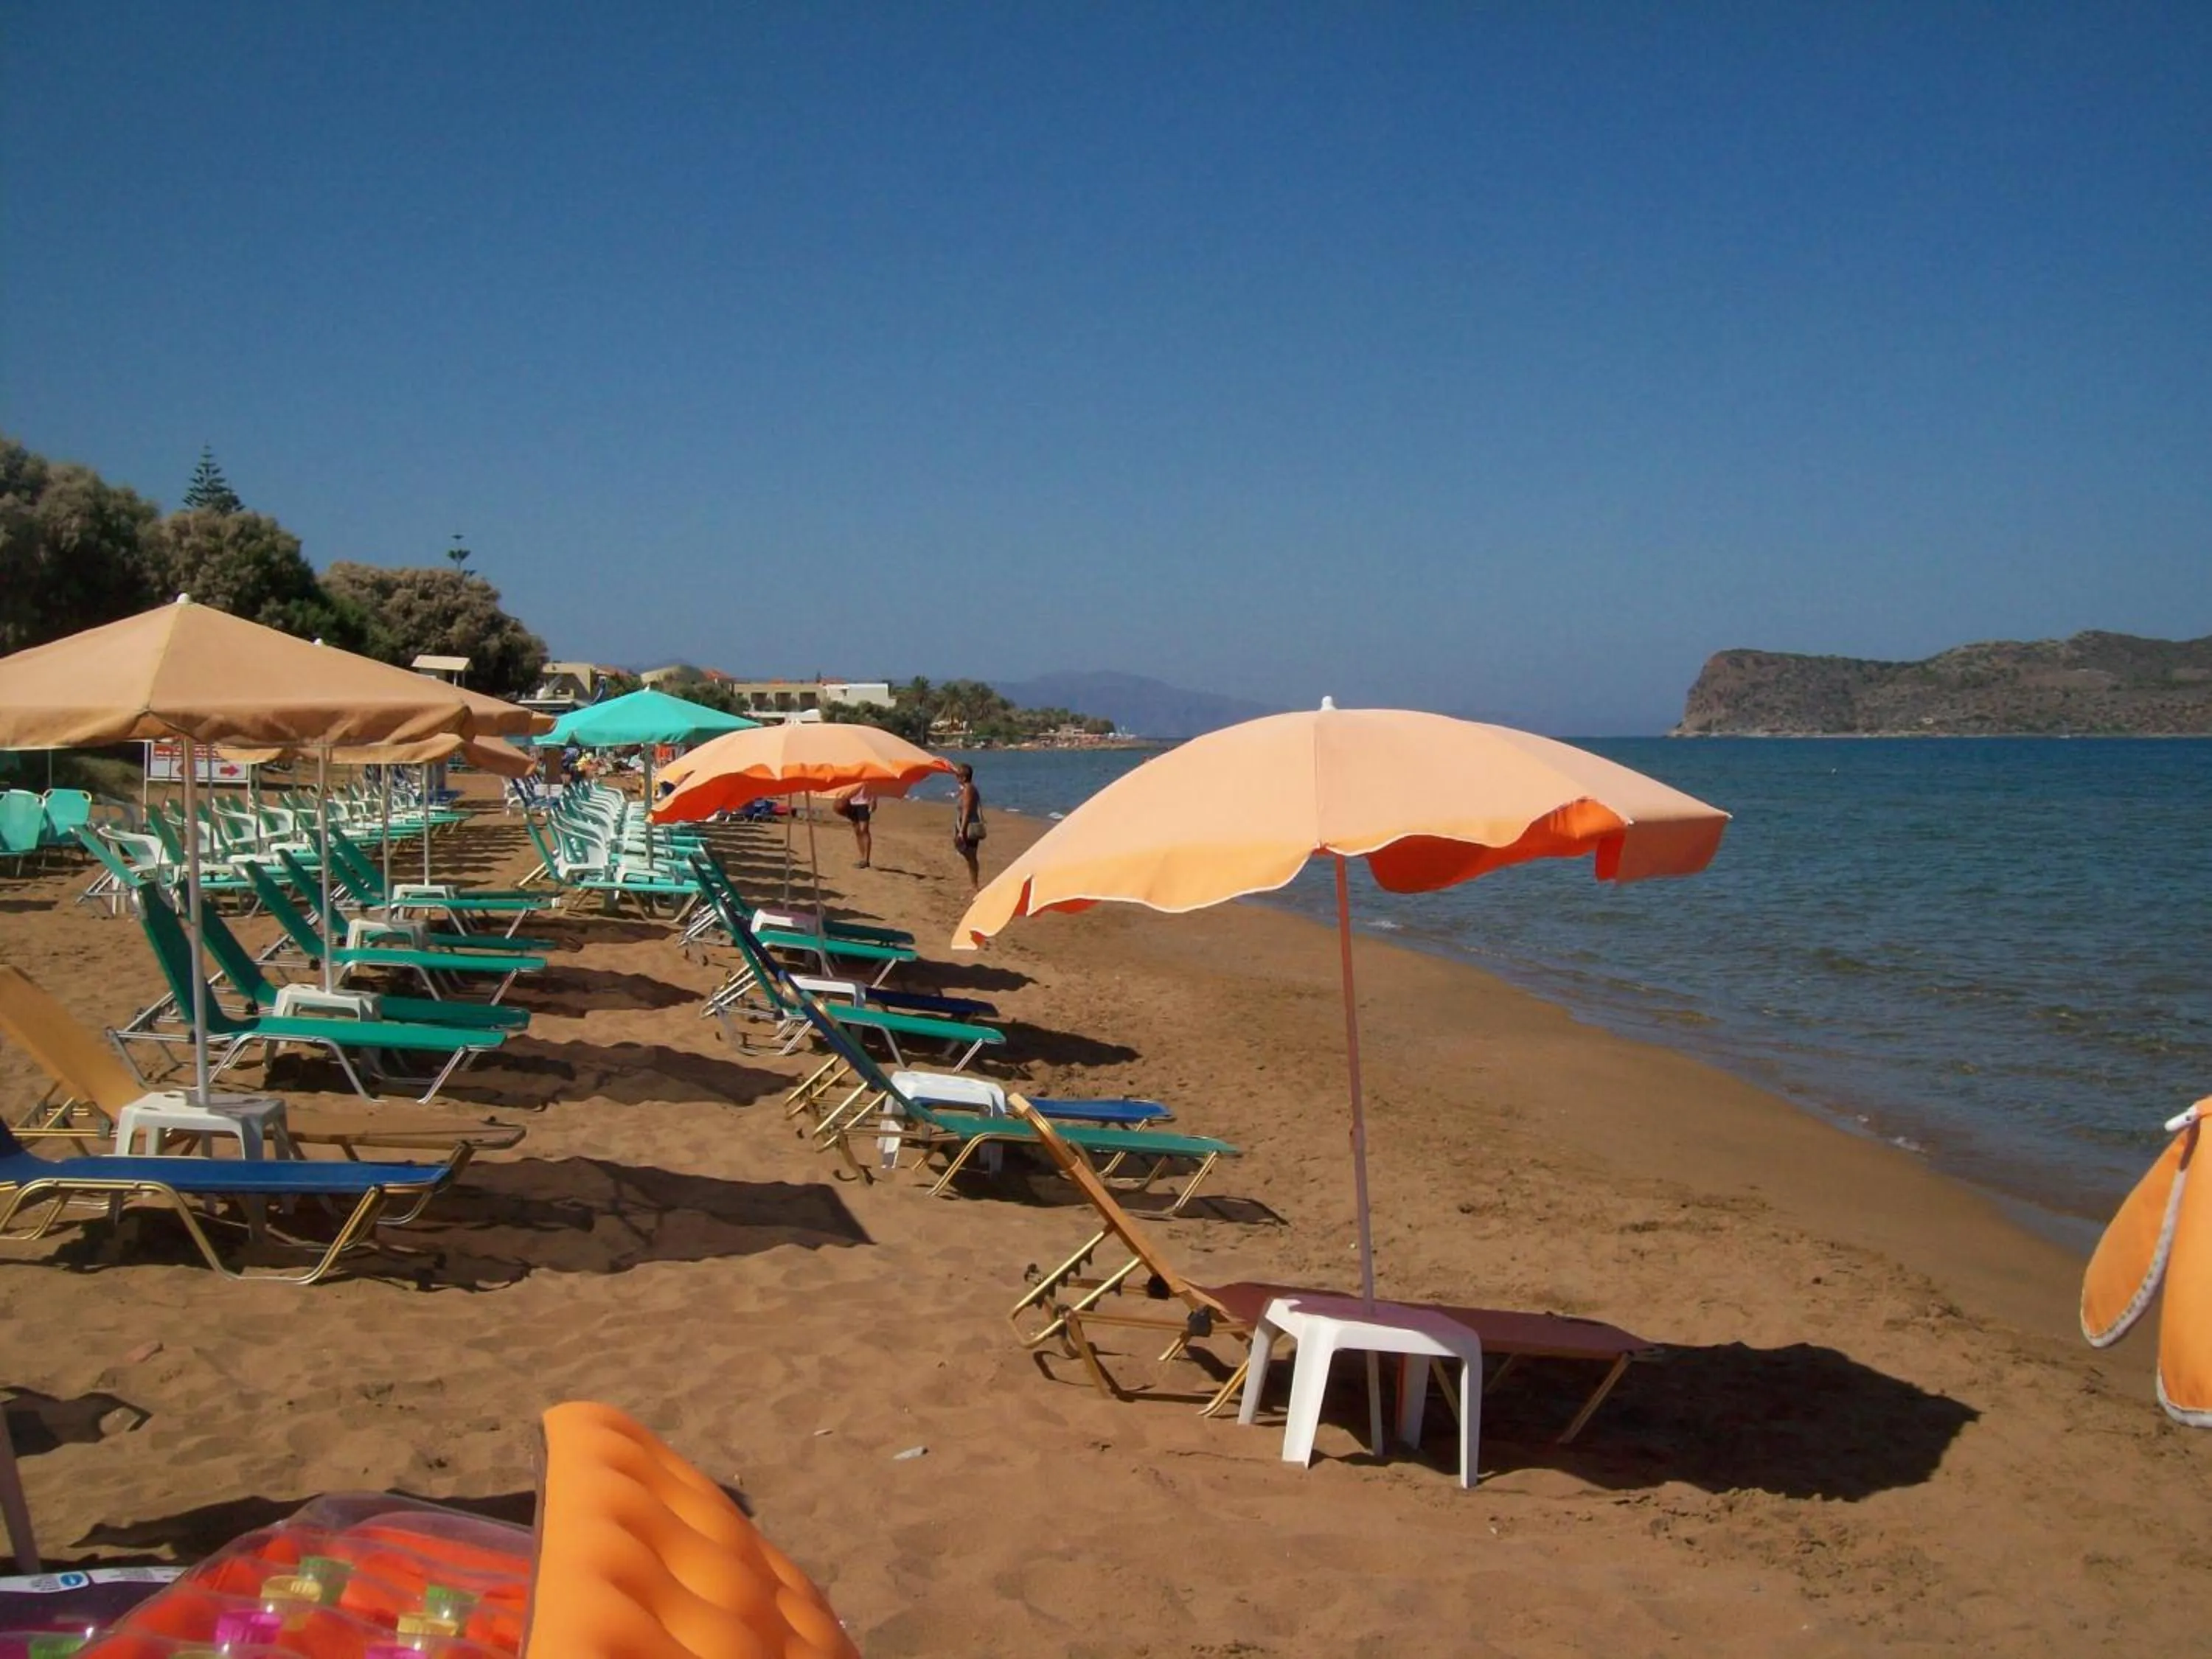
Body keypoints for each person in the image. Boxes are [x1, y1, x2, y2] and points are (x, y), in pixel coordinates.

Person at [951, 763, 985, 889]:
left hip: (969, 826)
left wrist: (961, 831)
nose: (956, 778)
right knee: (969, 855)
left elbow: (966, 810)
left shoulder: (969, 789)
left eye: (958, 776)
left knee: (971, 856)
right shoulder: (966, 788)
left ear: (964, 777)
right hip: (965, 824)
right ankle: (974, 883)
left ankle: (975, 884)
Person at [839, 784, 874, 869]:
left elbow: (874, 784)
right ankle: (863, 858)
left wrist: (873, 799)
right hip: (851, 802)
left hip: (864, 802)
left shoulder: (867, 772)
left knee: (864, 830)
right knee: (858, 831)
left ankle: (866, 859)